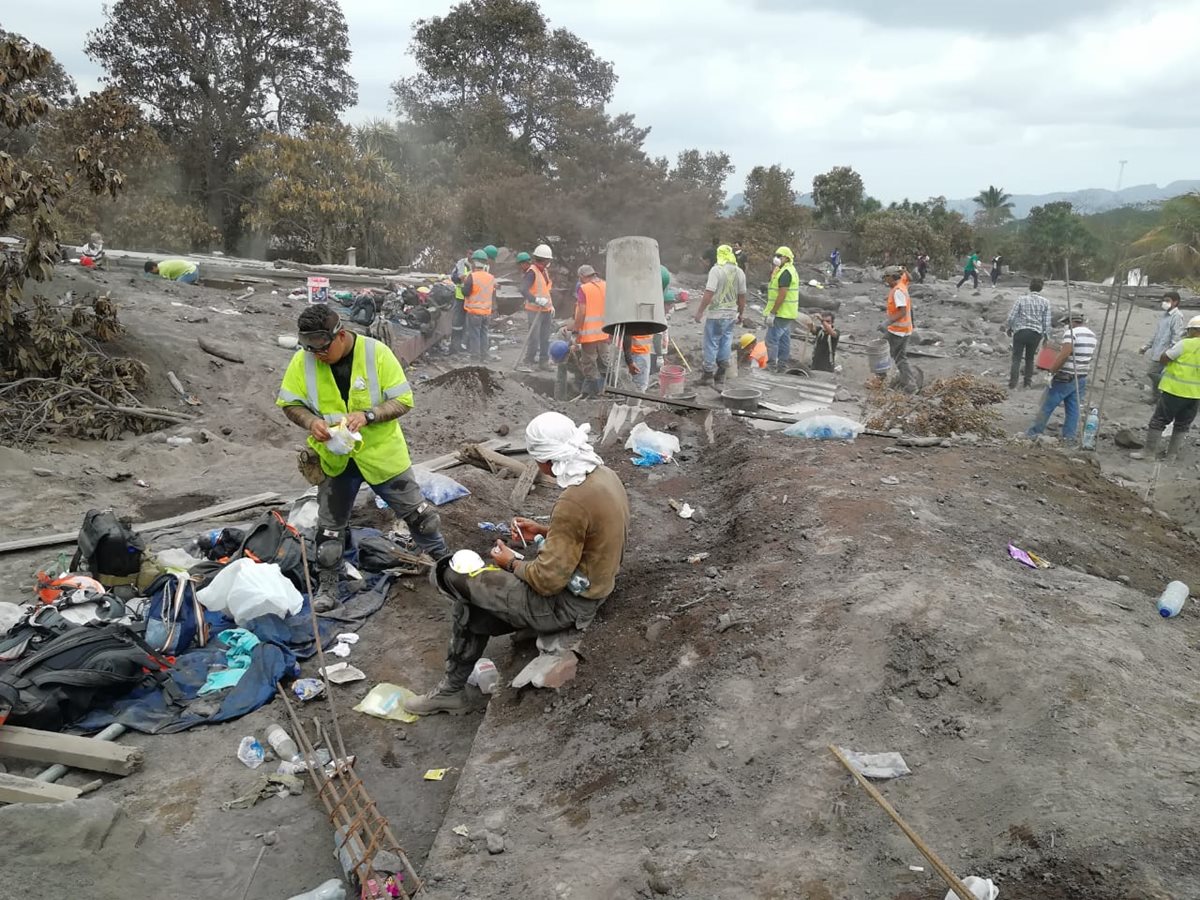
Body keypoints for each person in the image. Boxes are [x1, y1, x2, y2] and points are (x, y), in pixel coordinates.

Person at [406, 412, 630, 716]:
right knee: (479, 593)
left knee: (453, 577)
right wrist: (541, 531)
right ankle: (476, 660)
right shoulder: (605, 476)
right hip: (596, 586)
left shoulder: (573, 501)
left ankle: (450, 691)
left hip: (567, 605)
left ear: (545, 460)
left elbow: (546, 581)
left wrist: (510, 563)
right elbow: (592, 536)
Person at [276, 305, 446, 611]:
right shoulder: (304, 360)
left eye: (322, 348)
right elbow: (290, 403)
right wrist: (309, 422)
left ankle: (448, 569)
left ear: (340, 335)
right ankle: (328, 586)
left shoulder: (376, 353)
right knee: (329, 530)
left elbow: (404, 400)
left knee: (421, 518)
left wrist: (369, 415)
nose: (317, 355)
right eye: (309, 349)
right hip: (336, 458)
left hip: (382, 455)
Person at [1131, 314, 1200, 462]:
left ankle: (1149, 453)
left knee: (1159, 420)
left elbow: (1165, 357)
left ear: (1193, 330)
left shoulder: (1185, 344)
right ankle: (1171, 456)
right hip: (1195, 395)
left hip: (1174, 390)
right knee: (1182, 425)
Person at [1026, 311, 1097, 443]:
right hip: (1081, 376)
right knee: (1073, 409)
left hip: (1065, 376)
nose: (1065, 326)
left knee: (1047, 405)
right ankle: (1068, 437)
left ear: (1072, 321)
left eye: (1066, 323)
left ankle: (1033, 433)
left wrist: (1051, 372)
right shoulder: (1092, 335)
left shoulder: (1071, 334)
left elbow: (1064, 355)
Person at [693, 244, 747, 386]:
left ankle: (708, 374)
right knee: (726, 341)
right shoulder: (740, 272)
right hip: (731, 314)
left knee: (711, 342)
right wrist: (741, 313)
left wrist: (700, 311)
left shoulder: (716, 270)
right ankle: (721, 372)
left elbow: (709, 292)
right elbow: (742, 296)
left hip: (716, 314)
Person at [1005, 278, 1052, 389]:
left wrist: (1009, 327)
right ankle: (1027, 383)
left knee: (1016, 358)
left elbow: (1012, 316)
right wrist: (1046, 336)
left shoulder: (1021, 299)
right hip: (1035, 333)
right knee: (1030, 359)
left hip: (1020, 331)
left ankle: (1013, 384)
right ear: (1041, 288)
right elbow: (1046, 321)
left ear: (1029, 287)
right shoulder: (1046, 302)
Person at [1140, 290, 1185, 402]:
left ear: (1175, 302)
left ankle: (1171, 390)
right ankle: (1156, 397)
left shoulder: (1177, 316)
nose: (1164, 303)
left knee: (1152, 372)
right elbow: (1157, 334)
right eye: (1164, 300)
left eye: (1167, 301)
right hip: (1157, 350)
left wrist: (1170, 352)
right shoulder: (1165, 316)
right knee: (1156, 373)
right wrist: (1147, 346)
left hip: (1165, 352)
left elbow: (1177, 336)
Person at [517, 244, 556, 371]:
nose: (549, 262)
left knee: (545, 337)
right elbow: (523, 289)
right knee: (534, 337)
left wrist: (551, 305)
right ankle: (528, 360)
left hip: (546, 309)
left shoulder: (544, 271)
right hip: (534, 310)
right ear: (544, 260)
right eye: (548, 260)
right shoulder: (532, 272)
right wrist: (536, 300)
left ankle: (543, 361)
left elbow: (545, 290)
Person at [573, 265, 609, 397]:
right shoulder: (605, 285)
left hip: (589, 334)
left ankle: (597, 392)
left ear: (583, 276)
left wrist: (576, 330)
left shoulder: (584, 289)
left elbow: (582, 312)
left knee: (589, 364)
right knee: (605, 362)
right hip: (604, 331)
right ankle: (610, 389)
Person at [764, 246, 799, 373]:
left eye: (779, 256)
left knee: (771, 340)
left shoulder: (785, 273)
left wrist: (773, 312)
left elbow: (782, 294)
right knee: (784, 339)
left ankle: (771, 366)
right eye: (776, 255)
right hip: (788, 313)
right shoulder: (788, 270)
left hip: (781, 312)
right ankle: (782, 366)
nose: (776, 258)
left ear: (786, 258)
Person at [880, 265, 914, 390]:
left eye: (886, 278)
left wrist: (887, 322)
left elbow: (902, 311)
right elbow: (909, 278)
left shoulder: (898, 291)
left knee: (881, 353)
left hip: (898, 331)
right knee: (900, 358)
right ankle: (910, 385)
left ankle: (880, 382)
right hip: (905, 330)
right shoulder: (901, 284)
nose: (885, 281)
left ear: (891, 277)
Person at [461, 250, 495, 363]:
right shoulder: (491, 277)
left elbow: (465, 292)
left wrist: (463, 283)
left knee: (474, 335)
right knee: (484, 334)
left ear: (474, 262)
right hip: (486, 312)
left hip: (474, 311)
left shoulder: (472, 277)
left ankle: (475, 357)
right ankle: (484, 356)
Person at [447, 251, 471, 354]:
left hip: (472, 299)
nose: (471, 256)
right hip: (460, 297)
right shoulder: (461, 263)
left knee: (469, 324)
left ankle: (466, 346)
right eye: (470, 253)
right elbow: (453, 277)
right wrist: (459, 278)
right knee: (457, 323)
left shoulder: (480, 265)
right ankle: (455, 346)